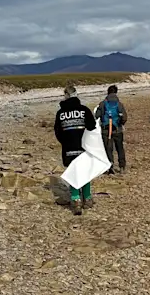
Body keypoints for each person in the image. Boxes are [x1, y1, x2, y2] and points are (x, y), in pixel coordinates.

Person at [54, 85, 97, 215]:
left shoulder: (61, 113)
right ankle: (87, 198)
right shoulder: (84, 110)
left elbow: (58, 131)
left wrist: (65, 142)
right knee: (85, 173)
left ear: (65, 95)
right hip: (84, 147)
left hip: (68, 148)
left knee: (74, 173)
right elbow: (92, 126)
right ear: (76, 94)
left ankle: (76, 199)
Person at [95, 85, 128, 173]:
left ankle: (110, 166)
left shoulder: (102, 103)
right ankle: (122, 167)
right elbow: (124, 117)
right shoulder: (119, 104)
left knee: (108, 148)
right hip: (117, 129)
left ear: (108, 92)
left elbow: (96, 115)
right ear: (116, 92)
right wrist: (120, 124)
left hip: (106, 130)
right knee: (120, 148)